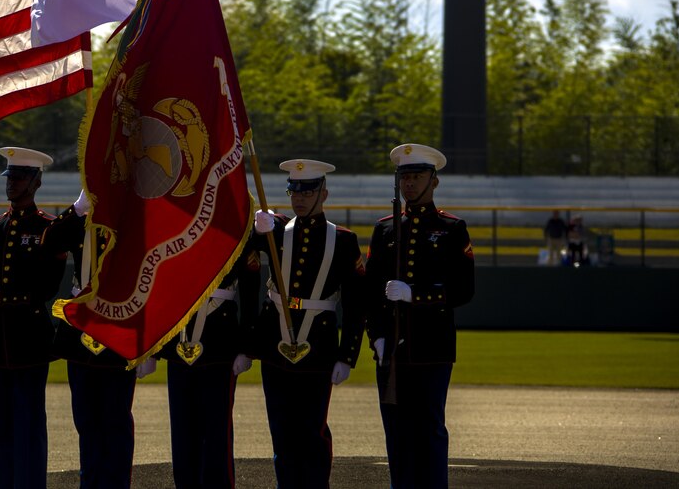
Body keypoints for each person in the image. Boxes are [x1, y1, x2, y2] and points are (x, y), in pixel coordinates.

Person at [0, 146, 88, 489]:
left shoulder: (48, 229)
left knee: (28, 431)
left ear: (36, 182)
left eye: (21, 178)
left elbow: (46, 287)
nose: (13, 184)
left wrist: (2, 295)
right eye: (10, 177)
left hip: (27, 345)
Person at [250, 159, 366, 489]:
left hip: (318, 344)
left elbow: (356, 303)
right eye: (293, 191)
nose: (299, 198)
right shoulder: (274, 232)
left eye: (307, 191)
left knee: (312, 431)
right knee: (281, 431)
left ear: (323, 194)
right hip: (275, 345)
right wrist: (253, 228)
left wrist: (347, 355)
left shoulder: (343, 240)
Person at [364, 143, 475, 489]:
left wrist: (417, 295)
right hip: (392, 350)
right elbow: (370, 291)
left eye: (417, 176)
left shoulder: (452, 228)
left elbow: (464, 289)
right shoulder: (385, 229)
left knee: (429, 430)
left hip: (432, 347)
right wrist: (377, 336)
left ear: (434, 182)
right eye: (405, 177)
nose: (409, 184)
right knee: (396, 432)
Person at [52, 212, 154, 489]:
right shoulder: (81, 224)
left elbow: (151, 283)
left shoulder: (136, 226)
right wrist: (75, 209)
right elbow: (50, 242)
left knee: (116, 422)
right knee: (86, 421)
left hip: (120, 330)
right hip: (81, 332)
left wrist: (149, 347)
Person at [160, 227, 262, 488]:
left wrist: (246, 346)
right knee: (182, 434)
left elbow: (251, 292)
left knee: (216, 435)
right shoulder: (177, 222)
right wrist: (156, 347)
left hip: (220, 343)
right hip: (179, 341)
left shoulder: (238, 226)